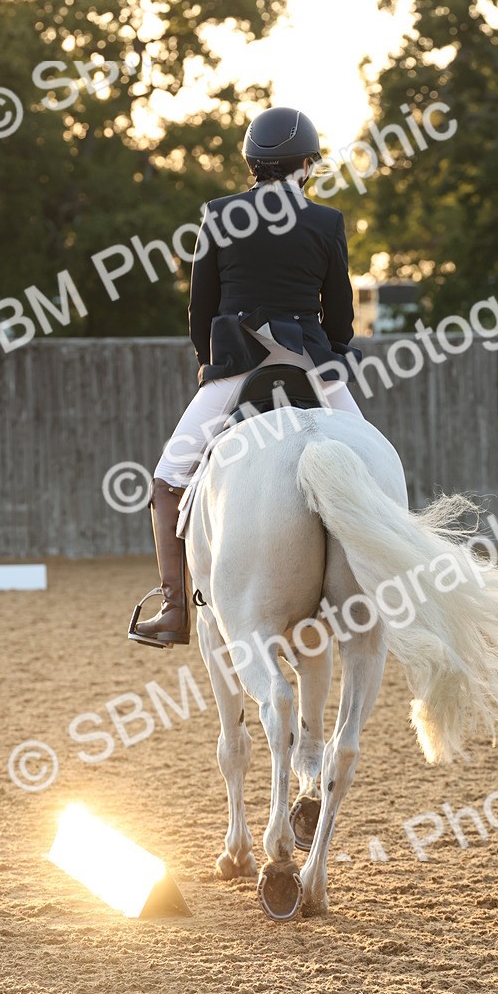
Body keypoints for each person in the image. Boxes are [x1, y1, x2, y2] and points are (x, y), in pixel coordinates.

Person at [128, 106, 365, 649]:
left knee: (168, 479)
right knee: (378, 467)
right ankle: (402, 587)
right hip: (310, 362)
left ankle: (173, 610)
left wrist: (211, 368)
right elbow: (342, 316)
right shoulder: (326, 221)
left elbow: (200, 309)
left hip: (239, 363)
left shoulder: (219, 214)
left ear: (253, 163)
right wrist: (331, 358)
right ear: (307, 165)